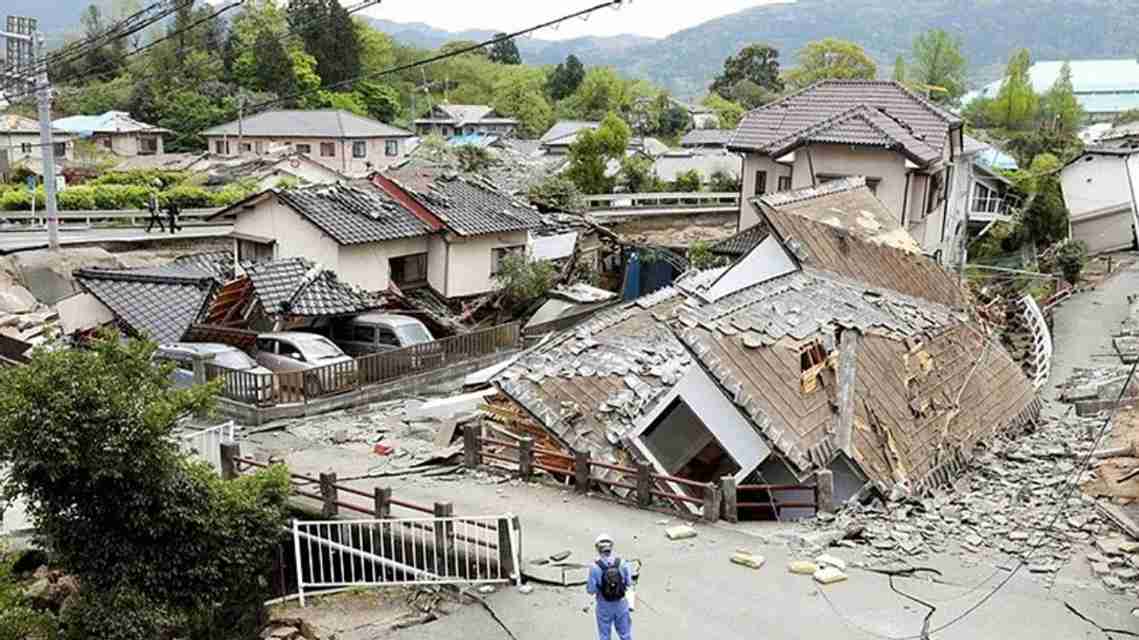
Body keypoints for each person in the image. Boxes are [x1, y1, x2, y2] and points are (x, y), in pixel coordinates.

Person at [586, 533, 633, 640]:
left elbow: (591, 590)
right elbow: (629, 583)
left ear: (598, 549)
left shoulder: (594, 567)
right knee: (625, 634)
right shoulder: (622, 563)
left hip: (604, 606)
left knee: (604, 636)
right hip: (621, 604)